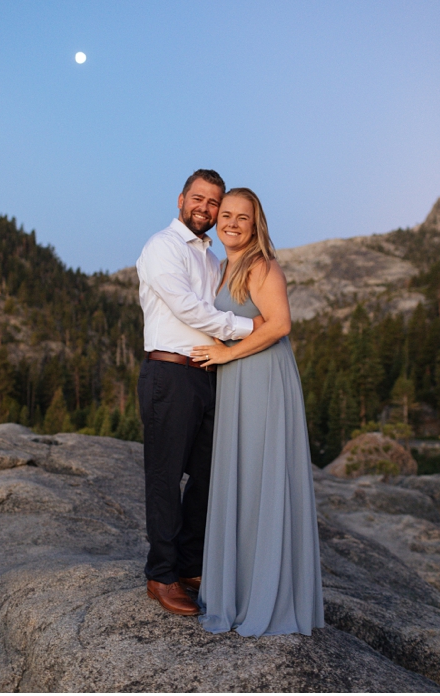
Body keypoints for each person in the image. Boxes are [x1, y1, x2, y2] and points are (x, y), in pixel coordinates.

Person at [190, 188, 324, 636]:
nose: (230, 222)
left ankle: (266, 597)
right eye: (224, 214)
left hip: (264, 380)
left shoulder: (262, 265)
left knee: (261, 480)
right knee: (240, 482)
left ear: (255, 223)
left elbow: (282, 323)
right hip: (237, 383)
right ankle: (238, 589)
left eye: (241, 217)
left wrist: (226, 356)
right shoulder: (224, 267)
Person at [135, 169, 259, 616]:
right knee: (166, 479)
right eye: (199, 199)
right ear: (181, 199)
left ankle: (189, 563)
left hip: (207, 375)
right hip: (169, 375)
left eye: (214, 203)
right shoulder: (162, 247)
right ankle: (161, 575)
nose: (205, 209)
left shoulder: (211, 258)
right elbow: (189, 308)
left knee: (209, 474)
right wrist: (249, 328)